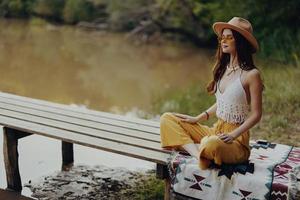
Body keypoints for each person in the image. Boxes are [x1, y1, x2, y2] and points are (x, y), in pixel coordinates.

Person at [160, 17, 263, 170]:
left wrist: (233, 135)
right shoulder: (224, 69)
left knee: (212, 144)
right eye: (222, 37)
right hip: (216, 130)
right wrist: (198, 118)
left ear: (240, 42)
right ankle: (199, 156)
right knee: (167, 119)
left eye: (229, 37)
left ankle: (198, 147)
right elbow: (222, 102)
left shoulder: (251, 74)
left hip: (236, 141)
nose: (223, 41)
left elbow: (256, 115)